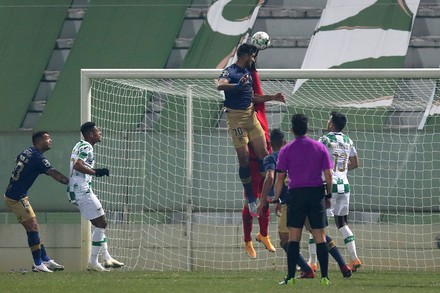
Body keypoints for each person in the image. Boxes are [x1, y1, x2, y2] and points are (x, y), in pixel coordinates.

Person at [217, 43, 285, 258]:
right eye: (253, 55)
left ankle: (271, 194)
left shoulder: (247, 71)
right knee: (244, 158)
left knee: (265, 155)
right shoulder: (231, 71)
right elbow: (220, 85)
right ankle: (251, 198)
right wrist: (236, 85)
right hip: (235, 118)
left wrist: (272, 98)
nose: (254, 59)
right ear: (246, 55)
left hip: (250, 116)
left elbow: (253, 97)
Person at [258, 129, 351, 279]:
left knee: (285, 240)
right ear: (284, 142)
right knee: (319, 235)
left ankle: (306, 269)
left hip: (290, 202)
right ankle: (343, 265)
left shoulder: (272, 158)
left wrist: (266, 200)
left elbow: (271, 177)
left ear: (270, 144)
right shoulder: (296, 153)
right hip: (310, 196)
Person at [272, 114, 333, 285]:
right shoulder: (320, 147)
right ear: (307, 129)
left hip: (296, 195)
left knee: (294, 237)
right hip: (316, 194)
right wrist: (328, 195)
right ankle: (325, 277)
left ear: (292, 130)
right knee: (320, 236)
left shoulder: (286, 150)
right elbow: (329, 175)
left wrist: (276, 200)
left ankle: (290, 277)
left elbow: (279, 178)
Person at [4, 131, 69, 272]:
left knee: (33, 227)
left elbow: (17, 160)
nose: (50, 140)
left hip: (16, 194)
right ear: (39, 142)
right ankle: (38, 264)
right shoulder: (38, 158)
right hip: (16, 197)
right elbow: (53, 174)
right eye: (47, 139)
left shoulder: (28, 150)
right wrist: (71, 183)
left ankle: (45, 260)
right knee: (33, 228)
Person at [68, 122, 124, 272]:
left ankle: (107, 258)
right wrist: (96, 172)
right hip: (82, 190)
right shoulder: (87, 147)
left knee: (99, 224)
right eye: (98, 131)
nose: (100, 133)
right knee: (101, 223)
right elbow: (78, 165)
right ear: (91, 134)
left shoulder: (78, 145)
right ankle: (93, 263)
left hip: (77, 190)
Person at [317, 111, 361, 272]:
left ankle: (312, 262)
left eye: (329, 120)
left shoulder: (325, 139)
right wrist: (341, 171)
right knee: (342, 223)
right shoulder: (348, 140)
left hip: (329, 186)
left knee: (317, 225)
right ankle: (354, 257)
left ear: (332, 125)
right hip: (345, 186)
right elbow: (355, 163)